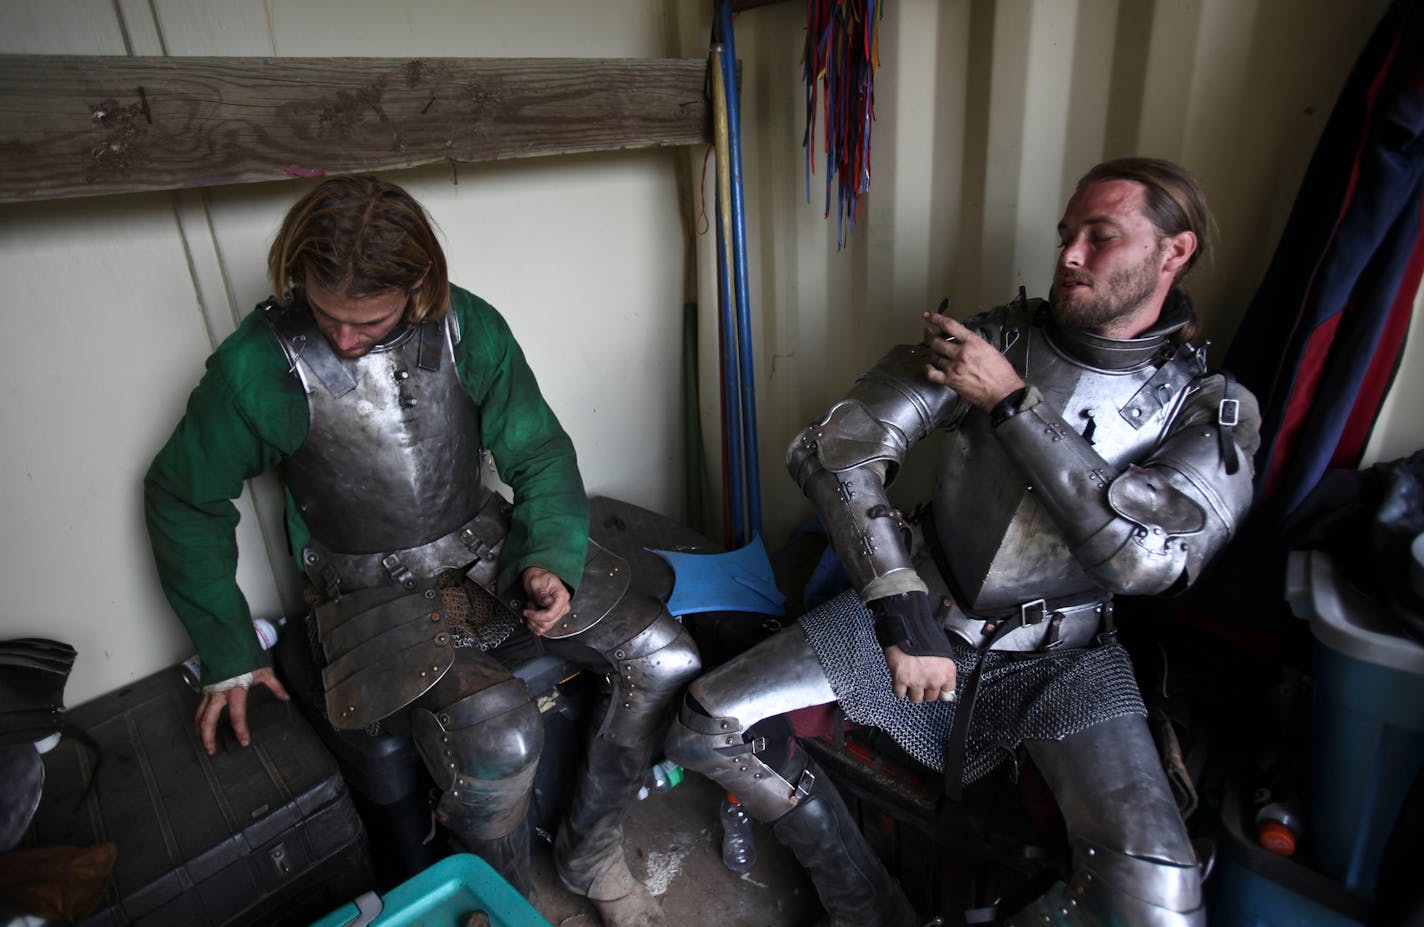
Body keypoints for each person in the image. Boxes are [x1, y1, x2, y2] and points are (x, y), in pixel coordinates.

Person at [666, 157, 1260, 926]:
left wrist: (1012, 403)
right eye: (1066, 235)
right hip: (927, 606)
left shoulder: (1210, 407)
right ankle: (869, 906)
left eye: (1100, 236)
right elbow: (832, 449)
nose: (1069, 255)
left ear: (1173, 251)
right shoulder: (995, 337)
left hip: (1067, 657)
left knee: (1160, 896)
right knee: (704, 726)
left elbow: (1144, 561)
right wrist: (902, 612)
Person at [144, 175, 699, 927]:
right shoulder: (259, 364)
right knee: (500, 729)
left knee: (665, 655)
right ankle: (510, 907)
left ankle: (590, 853)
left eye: (366, 319)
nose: (341, 337)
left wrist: (549, 558)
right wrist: (228, 647)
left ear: (418, 285)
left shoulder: (470, 327)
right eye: (325, 313)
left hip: (483, 545)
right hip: (363, 587)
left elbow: (537, 451)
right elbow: (183, 496)